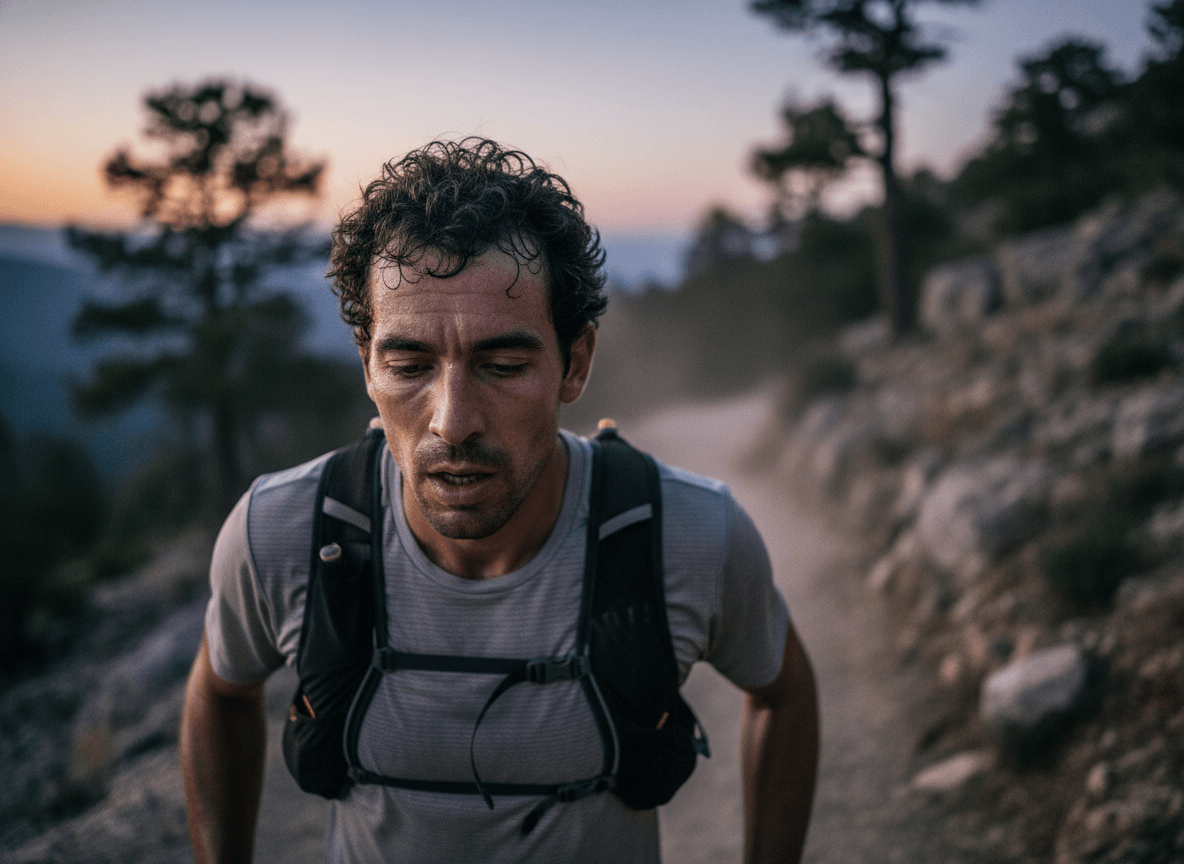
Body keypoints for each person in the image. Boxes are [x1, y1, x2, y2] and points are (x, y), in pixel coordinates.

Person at [180, 138, 818, 864]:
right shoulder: (280, 532)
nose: (453, 420)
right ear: (367, 365)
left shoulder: (691, 535)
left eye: (504, 364)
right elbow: (218, 695)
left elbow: (784, 694)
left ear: (574, 363)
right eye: (409, 364)